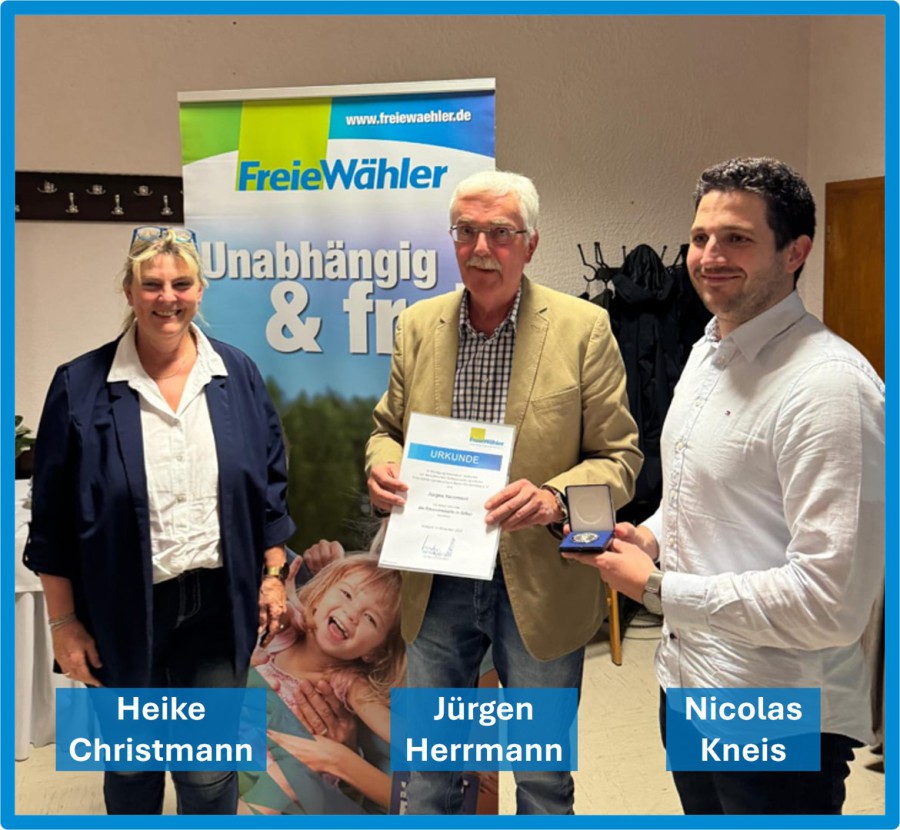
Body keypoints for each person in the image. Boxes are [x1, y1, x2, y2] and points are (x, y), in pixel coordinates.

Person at [565, 157, 885, 814]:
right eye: (701, 237)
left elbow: (831, 602)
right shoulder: (709, 351)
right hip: (689, 679)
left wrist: (656, 588)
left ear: (796, 252)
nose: (710, 256)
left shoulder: (828, 389)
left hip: (778, 707)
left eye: (737, 238)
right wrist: (648, 537)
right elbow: (698, 491)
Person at [365, 169, 643, 814]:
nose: (481, 248)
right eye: (465, 231)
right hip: (437, 576)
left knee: (542, 777)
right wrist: (382, 466)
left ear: (531, 243)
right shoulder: (417, 325)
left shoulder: (584, 328)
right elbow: (386, 430)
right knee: (428, 769)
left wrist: (553, 498)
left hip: (540, 580)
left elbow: (620, 458)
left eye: (500, 232)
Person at [23, 226, 296, 815]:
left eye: (181, 284)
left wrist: (273, 576)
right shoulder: (79, 385)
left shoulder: (238, 375)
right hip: (120, 608)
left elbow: (270, 487)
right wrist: (63, 623)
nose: (167, 298)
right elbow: (52, 522)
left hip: (218, 607)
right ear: (128, 290)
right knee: (132, 766)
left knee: (208, 772)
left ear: (200, 290)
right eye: (151, 284)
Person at [239, 552, 405, 814]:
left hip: (297, 782)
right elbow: (276, 613)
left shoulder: (348, 683)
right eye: (346, 594)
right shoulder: (284, 633)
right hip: (242, 752)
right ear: (318, 597)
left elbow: (393, 729)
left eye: (371, 618)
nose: (352, 614)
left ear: (375, 652)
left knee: (294, 773)